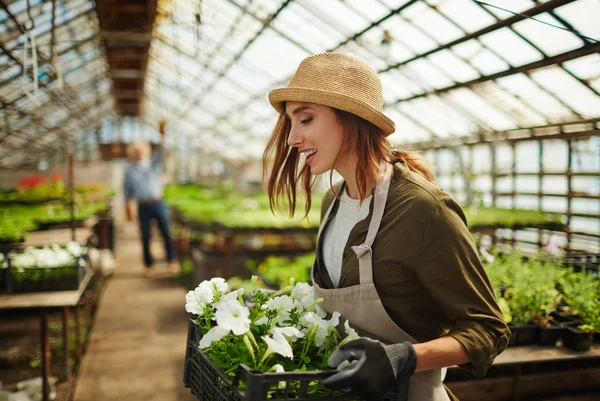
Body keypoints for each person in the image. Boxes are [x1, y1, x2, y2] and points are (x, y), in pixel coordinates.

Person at [263, 53, 510, 401]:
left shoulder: (423, 210)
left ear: (352, 118)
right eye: (290, 123)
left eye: (305, 119)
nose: (291, 138)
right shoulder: (332, 203)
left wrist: (403, 358)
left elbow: (488, 329)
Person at [124, 121, 179, 277]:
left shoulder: (153, 164)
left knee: (166, 233)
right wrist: (127, 207)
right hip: (143, 206)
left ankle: (172, 261)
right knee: (145, 236)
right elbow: (127, 190)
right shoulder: (129, 170)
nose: (138, 152)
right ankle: (149, 265)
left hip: (158, 204)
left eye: (141, 150)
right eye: (136, 151)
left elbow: (162, 151)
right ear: (132, 153)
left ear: (146, 150)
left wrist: (162, 136)